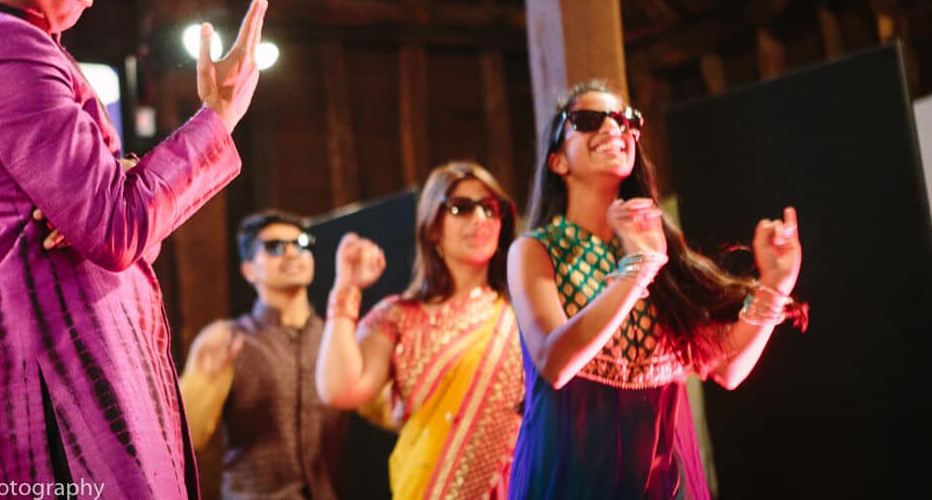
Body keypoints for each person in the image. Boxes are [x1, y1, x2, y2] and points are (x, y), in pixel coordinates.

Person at [0, 0, 267, 499]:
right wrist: (217, 117)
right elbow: (117, 228)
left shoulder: (16, 47)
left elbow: (113, 220)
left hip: (80, 373)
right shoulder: (3, 48)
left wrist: (121, 185)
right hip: (66, 388)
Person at [506, 80, 808, 499]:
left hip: (663, 483)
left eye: (625, 120)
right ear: (557, 161)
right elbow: (555, 362)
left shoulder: (659, 246)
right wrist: (637, 270)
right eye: (589, 121)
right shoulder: (534, 250)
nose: (614, 129)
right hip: (570, 476)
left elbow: (726, 367)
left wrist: (776, 283)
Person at [315, 161, 526, 500]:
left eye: (490, 209)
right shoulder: (398, 315)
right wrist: (346, 288)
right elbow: (340, 388)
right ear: (432, 228)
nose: (479, 219)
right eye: (461, 208)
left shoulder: (521, 313)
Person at [179, 210, 351, 499]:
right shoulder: (228, 339)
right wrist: (204, 382)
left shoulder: (335, 338)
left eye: (301, 244)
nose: (293, 254)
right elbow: (191, 435)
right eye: (275, 248)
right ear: (248, 270)